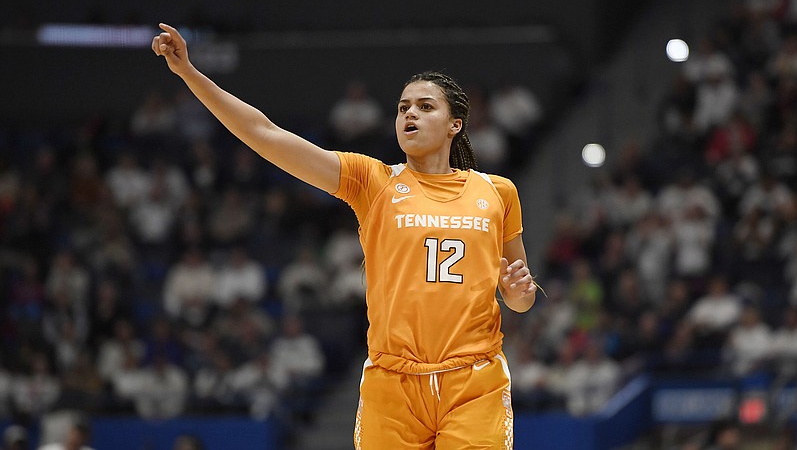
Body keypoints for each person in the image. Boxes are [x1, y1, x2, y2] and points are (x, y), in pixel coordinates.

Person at [153, 23, 539, 449]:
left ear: (455, 125)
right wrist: (190, 73)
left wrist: (517, 291)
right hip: (393, 384)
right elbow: (266, 135)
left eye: (425, 107)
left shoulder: (498, 192)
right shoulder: (372, 181)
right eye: (402, 107)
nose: (410, 113)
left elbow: (521, 298)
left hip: (474, 379)